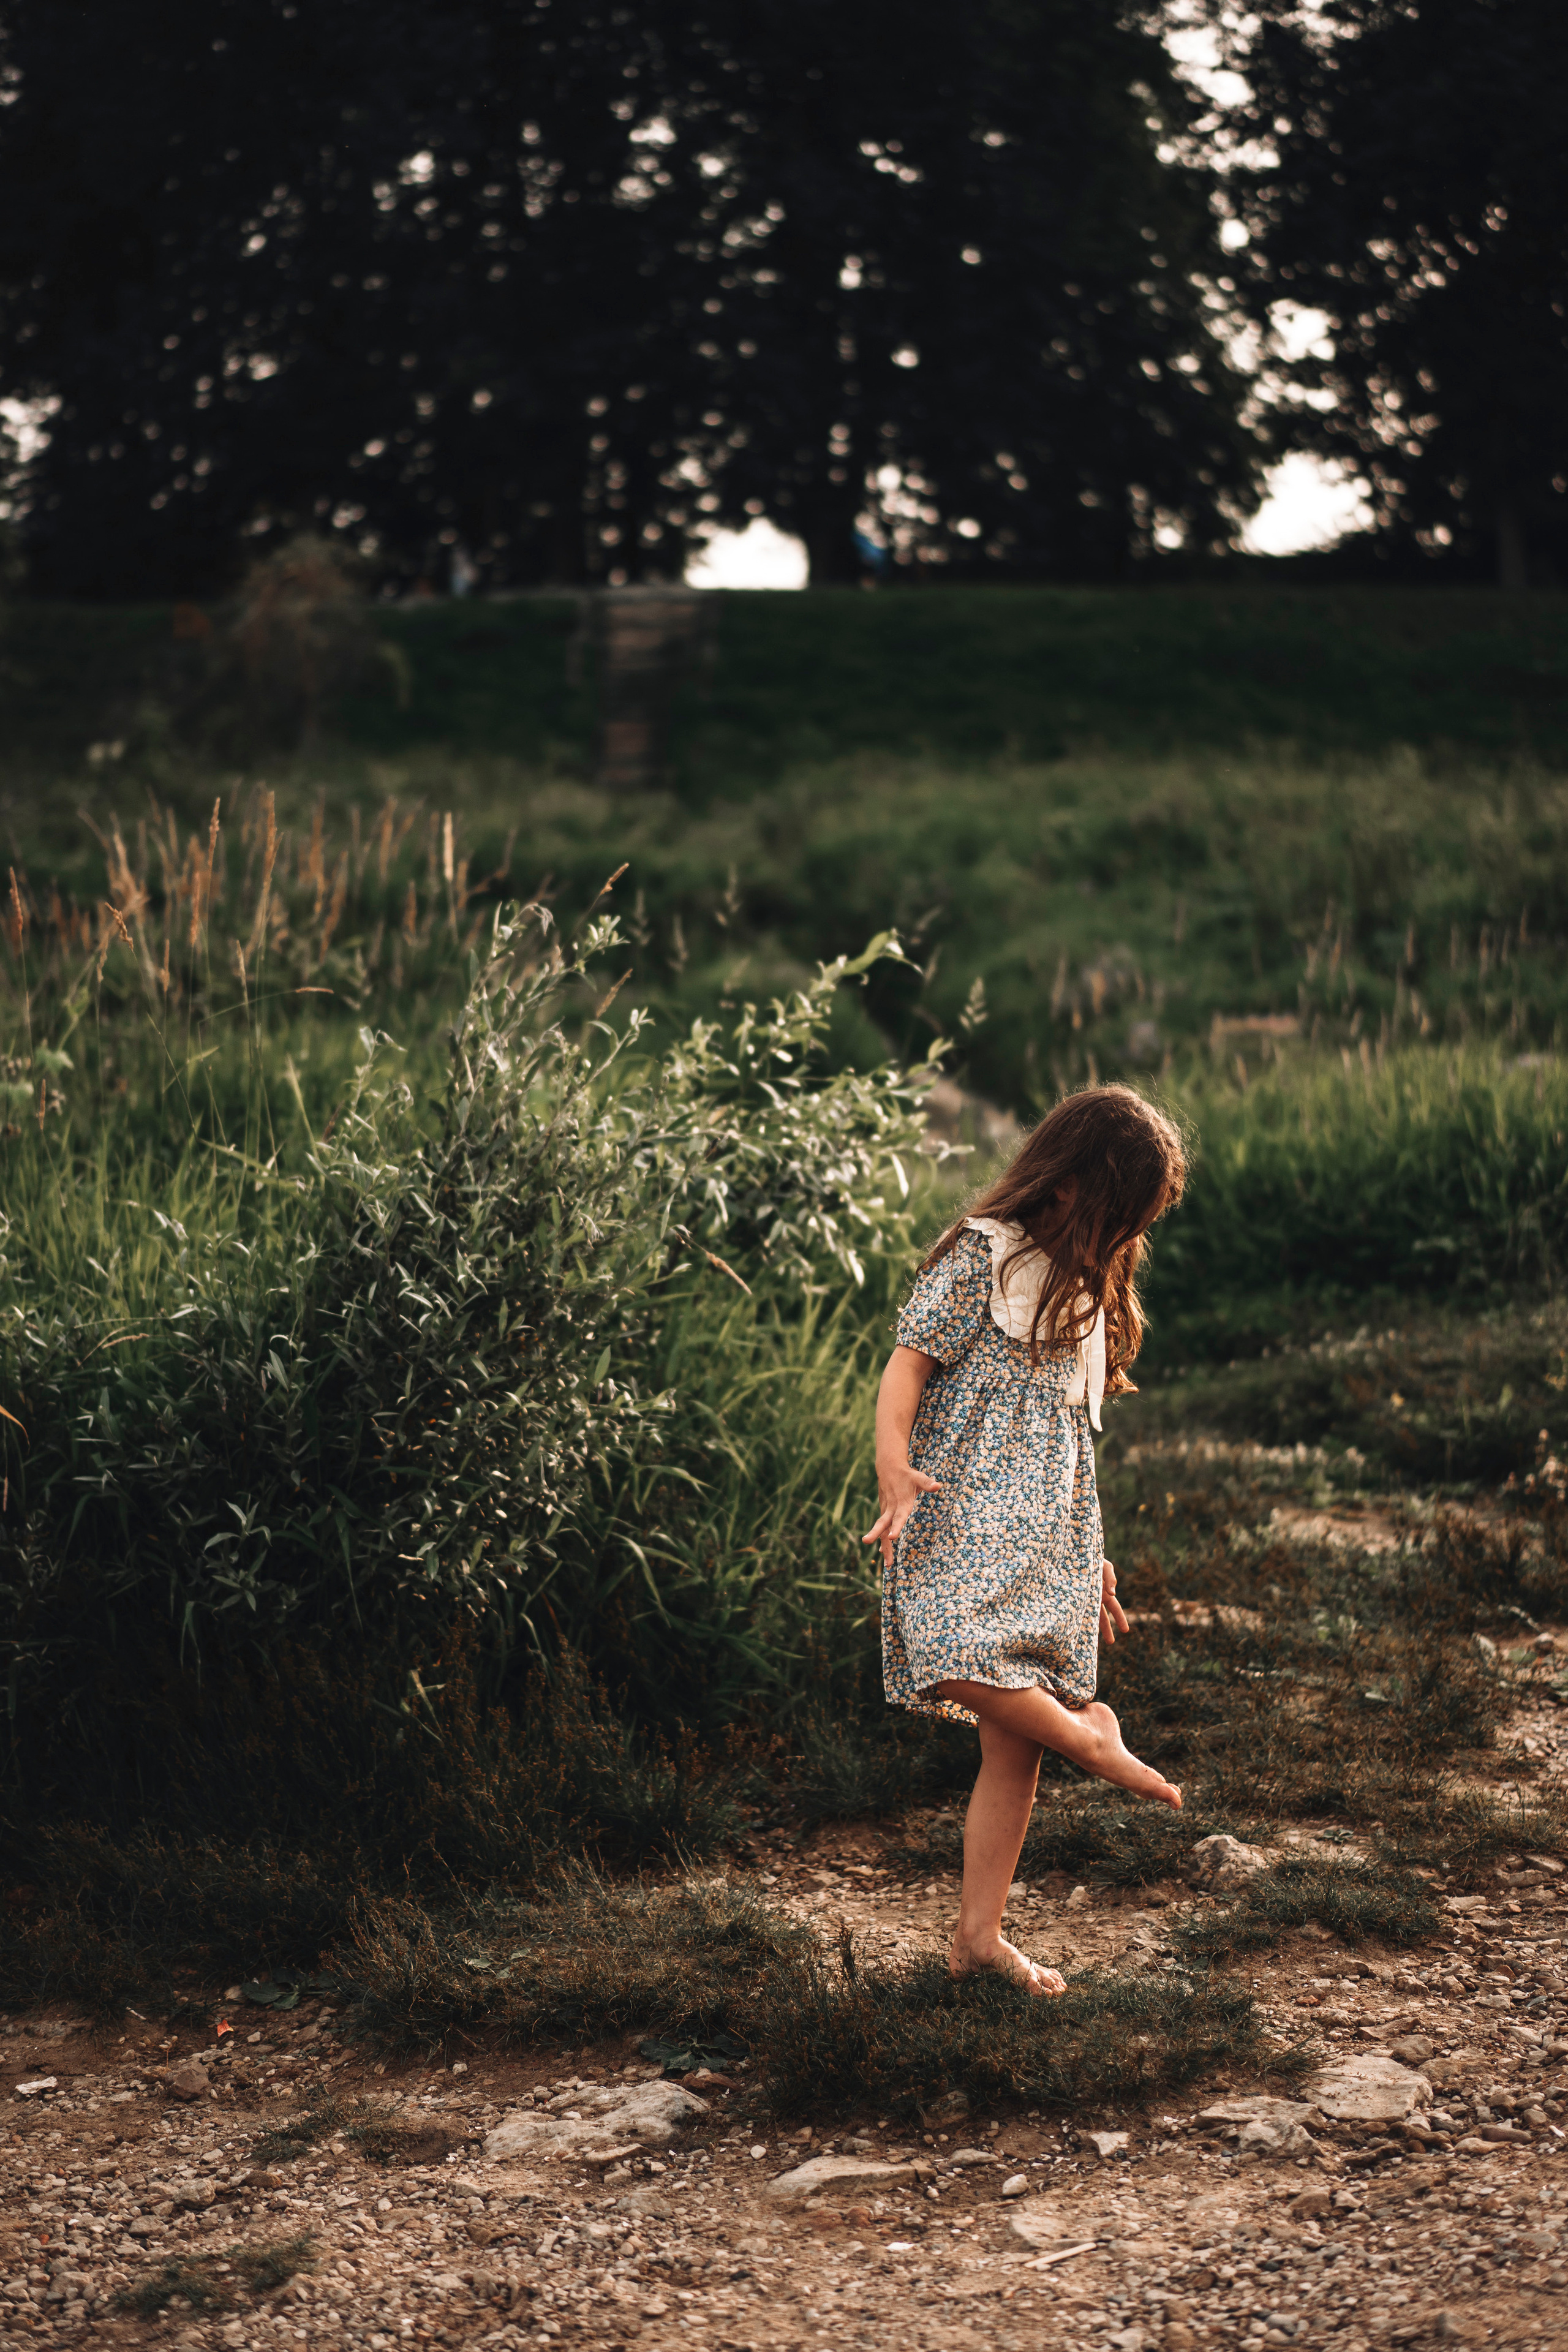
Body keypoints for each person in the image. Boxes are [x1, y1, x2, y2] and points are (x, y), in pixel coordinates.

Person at [864, 1084, 1186, 1997]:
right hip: (958, 1515)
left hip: (1049, 1538)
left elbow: (1071, 1451)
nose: (1123, 1235)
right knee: (945, 1653)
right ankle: (1093, 1737)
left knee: (1013, 1748)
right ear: (1070, 1182)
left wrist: (1094, 1556)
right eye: (1119, 1211)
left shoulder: (1088, 1295)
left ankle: (979, 1938)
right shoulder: (986, 1257)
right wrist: (894, 1465)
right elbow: (906, 1370)